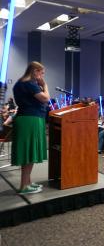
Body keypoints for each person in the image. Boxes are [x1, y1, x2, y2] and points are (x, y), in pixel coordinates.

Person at [12, 62, 50, 194]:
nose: (42, 75)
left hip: (26, 118)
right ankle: (24, 186)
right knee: (29, 154)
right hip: (30, 119)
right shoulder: (30, 83)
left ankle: (27, 182)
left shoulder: (19, 83)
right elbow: (45, 98)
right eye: (41, 72)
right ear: (35, 71)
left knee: (29, 153)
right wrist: (44, 85)